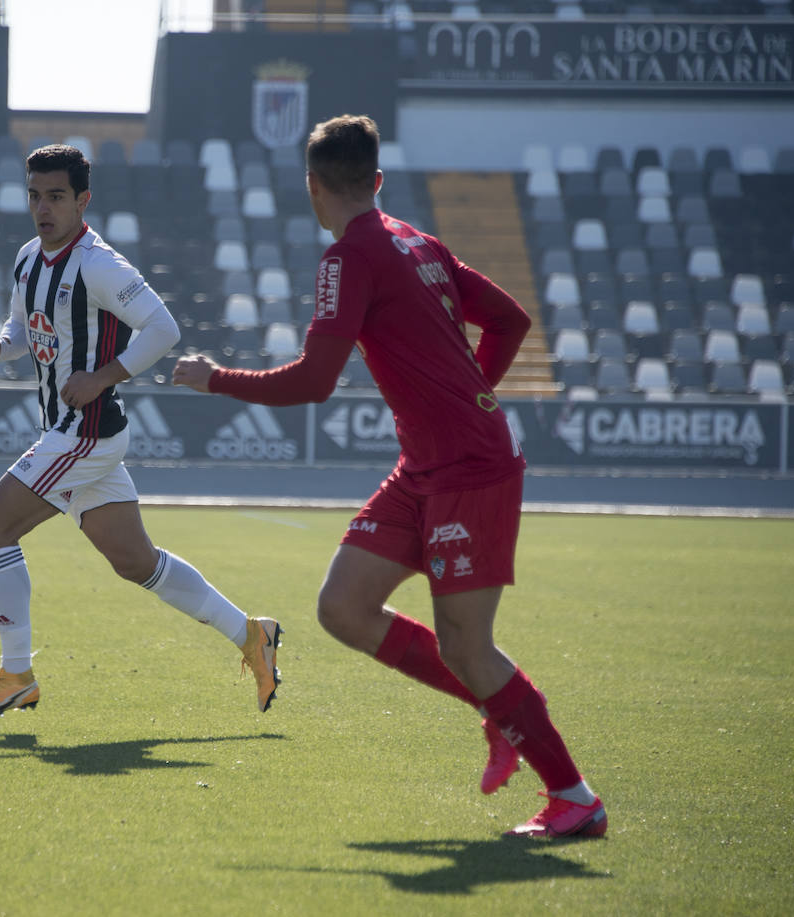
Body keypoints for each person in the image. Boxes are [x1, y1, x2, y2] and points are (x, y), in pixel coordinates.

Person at [173, 115, 605, 839]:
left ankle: (574, 796)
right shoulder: (417, 241)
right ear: (376, 180)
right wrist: (474, 393)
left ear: (312, 186)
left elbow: (313, 382)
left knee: (469, 644)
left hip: (468, 467)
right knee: (343, 605)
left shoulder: (349, 257)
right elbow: (512, 319)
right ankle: (493, 707)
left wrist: (214, 379)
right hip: (428, 464)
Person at [0, 144, 281, 719]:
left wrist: (103, 375)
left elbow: (163, 327)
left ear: (83, 200)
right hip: (74, 434)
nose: (43, 207)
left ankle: (16, 676)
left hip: (84, 434)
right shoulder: (29, 257)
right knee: (137, 562)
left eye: (56, 196)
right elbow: (23, 328)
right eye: (35, 195)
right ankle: (252, 634)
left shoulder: (99, 265)